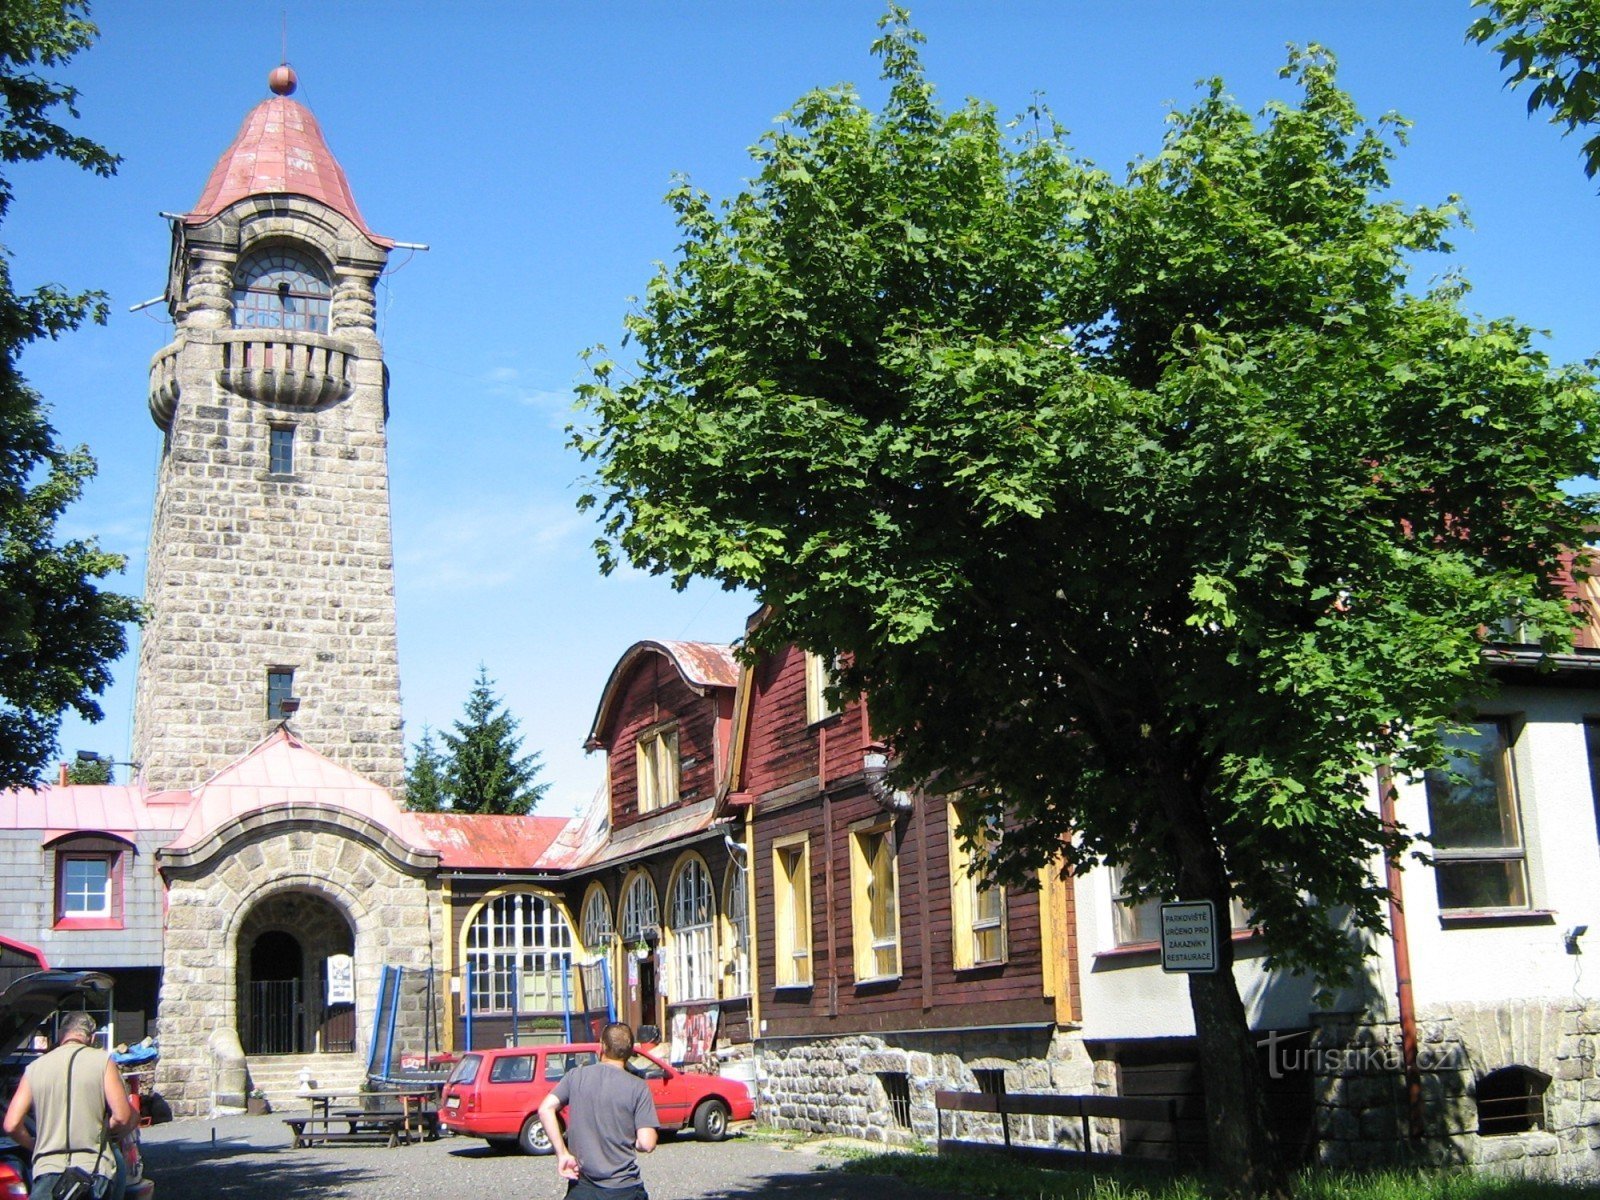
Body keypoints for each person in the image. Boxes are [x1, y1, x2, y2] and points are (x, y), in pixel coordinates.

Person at [2, 1012, 134, 1200]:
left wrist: (34, 1145)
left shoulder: (34, 1067)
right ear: (93, 1037)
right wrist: (101, 1134)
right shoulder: (102, 1062)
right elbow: (123, 1116)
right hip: (93, 1171)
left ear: (61, 1034)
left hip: (47, 1171)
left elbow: (11, 1124)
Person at [538, 1022, 659, 1200]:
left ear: (602, 1045)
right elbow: (647, 1143)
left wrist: (562, 1153)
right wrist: (635, 1142)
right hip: (624, 1188)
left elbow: (545, 1109)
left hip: (582, 1186)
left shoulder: (576, 1076)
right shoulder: (638, 1087)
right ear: (630, 1051)